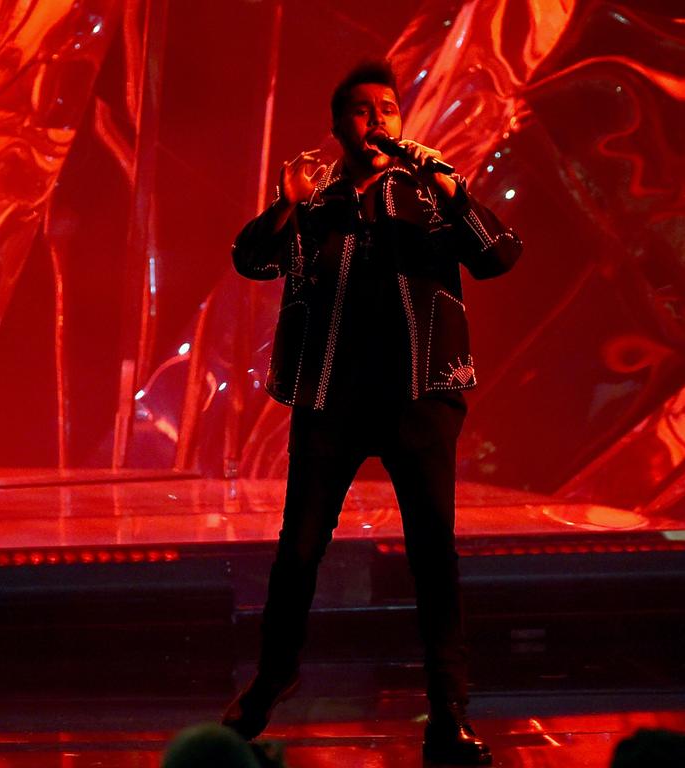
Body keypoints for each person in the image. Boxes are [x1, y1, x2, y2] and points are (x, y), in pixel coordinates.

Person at [223, 59, 522, 766]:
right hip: (331, 401)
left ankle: (449, 712)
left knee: (431, 557)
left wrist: (450, 185)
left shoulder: (428, 198)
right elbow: (249, 260)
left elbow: (500, 257)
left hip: (420, 398)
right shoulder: (315, 206)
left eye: (389, 108)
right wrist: (288, 202)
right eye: (362, 110)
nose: (378, 119)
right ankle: (271, 681)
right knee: (298, 550)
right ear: (338, 127)